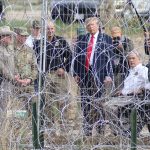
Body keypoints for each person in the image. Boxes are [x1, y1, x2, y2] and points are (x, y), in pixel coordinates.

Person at [73, 17, 114, 136]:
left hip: (100, 74)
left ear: (98, 26)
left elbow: (110, 59)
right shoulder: (82, 39)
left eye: (93, 25)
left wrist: (109, 75)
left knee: (99, 103)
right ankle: (88, 129)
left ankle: (100, 129)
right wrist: (76, 73)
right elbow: (77, 57)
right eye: (89, 25)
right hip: (85, 74)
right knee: (85, 102)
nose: (91, 27)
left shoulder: (106, 39)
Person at [34, 21, 76, 133]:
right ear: (44, 30)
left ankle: (66, 126)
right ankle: (51, 126)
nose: (50, 31)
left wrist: (64, 68)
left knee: (64, 100)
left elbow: (70, 56)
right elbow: (35, 59)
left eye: (52, 28)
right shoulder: (39, 43)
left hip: (59, 75)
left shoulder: (61, 41)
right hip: (45, 75)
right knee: (48, 102)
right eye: (48, 29)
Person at [106, 50, 150, 137]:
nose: (131, 60)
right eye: (129, 59)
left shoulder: (143, 70)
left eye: (133, 58)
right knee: (106, 105)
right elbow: (128, 87)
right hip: (125, 97)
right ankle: (119, 131)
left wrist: (141, 89)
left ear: (139, 59)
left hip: (136, 98)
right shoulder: (130, 71)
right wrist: (121, 91)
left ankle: (119, 131)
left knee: (110, 107)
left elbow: (148, 84)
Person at [14, 27, 38, 112]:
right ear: (17, 36)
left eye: (26, 36)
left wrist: (29, 79)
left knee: (32, 110)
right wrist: (18, 80)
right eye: (22, 35)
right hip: (15, 86)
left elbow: (35, 68)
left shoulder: (29, 50)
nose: (25, 38)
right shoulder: (11, 50)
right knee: (17, 111)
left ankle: (29, 125)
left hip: (29, 85)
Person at [111, 26, 134, 90]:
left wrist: (121, 49)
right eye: (114, 37)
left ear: (121, 34)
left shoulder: (128, 41)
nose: (116, 39)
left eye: (118, 37)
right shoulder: (110, 42)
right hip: (114, 68)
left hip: (125, 67)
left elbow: (130, 56)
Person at [0, 26, 16, 110]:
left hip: (11, 82)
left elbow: (13, 63)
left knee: (10, 106)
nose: (10, 38)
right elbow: (3, 69)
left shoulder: (10, 48)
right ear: (2, 37)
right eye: (8, 36)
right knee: (4, 106)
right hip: (4, 82)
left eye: (10, 36)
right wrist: (13, 78)